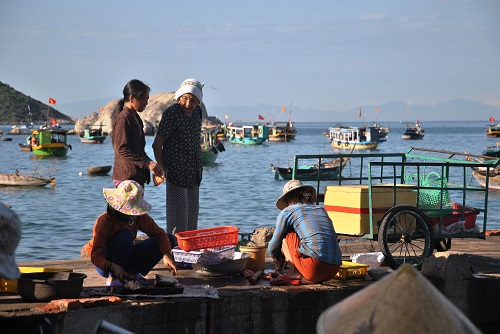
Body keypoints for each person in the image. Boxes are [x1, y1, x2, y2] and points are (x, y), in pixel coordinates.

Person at [83, 180, 178, 286]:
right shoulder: (104, 221)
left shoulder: (138, 218)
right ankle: (114, 277)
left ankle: (131, 272)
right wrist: (112, 266)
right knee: (125, 235)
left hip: (125, 256)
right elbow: (96, 256)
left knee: (170, 239)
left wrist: (166, 253)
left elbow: (159, 234)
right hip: (106, 262)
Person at [152, 78, 204, 234]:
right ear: (180, 96)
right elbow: (156, 144)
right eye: (185, 98)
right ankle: (175, 253)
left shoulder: (197, 113)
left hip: (194, 174)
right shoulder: (171, 113)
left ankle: (189, 254)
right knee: (178, 223)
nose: (188, 104)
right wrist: (161, 167)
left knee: (191, 222)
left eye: (193, 101)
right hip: (176, 172)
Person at [267, 180, 342, 285]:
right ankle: (297, 269)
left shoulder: (287, 212)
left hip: (314, 268)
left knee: (287, 234)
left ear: (287, 199)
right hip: (334, 268)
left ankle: (294, 272)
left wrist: (277, 259)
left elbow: (273, 246)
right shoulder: (321, 210)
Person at [111, 79, 161, 189]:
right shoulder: (124, 118)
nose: (146, 103)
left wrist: (151, 165)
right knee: (125, 207)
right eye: (143, 99)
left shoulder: (135, 118)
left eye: (147, 99)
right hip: (126, 178)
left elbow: (137, 150)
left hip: (135, 178)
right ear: (132, 99)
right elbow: (121, 148)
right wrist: (146, 163)